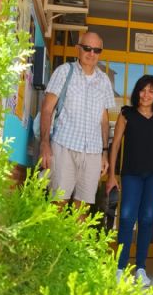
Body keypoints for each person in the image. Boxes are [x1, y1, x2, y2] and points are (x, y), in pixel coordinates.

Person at [106, 75, 153, 286]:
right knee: (126, 217)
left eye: (151, 91)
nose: (147, 95)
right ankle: (120, 268)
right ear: (137, 92)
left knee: (146, 217)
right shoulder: (126, 114)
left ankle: (141, 268)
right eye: (143, 90)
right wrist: (112, 175)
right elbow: (115, 145)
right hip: (131, 173)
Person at [39, 32, 114, 215]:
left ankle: (75, 245)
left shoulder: (104, 80)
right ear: (78, 49)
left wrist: (105, 153)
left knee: (84, 209)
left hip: (93, 152)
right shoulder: (65, 71)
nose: (91, 53)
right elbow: (47, 109)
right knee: (58, 203)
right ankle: (55, 244)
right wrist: (45, 143)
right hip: (64, 145)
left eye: (97, 50)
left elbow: (104, 120)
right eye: (87, 48)